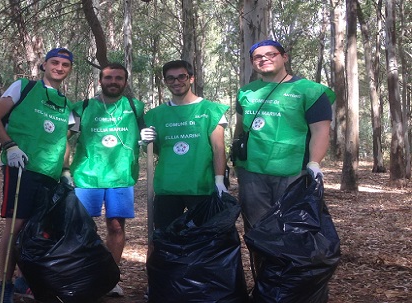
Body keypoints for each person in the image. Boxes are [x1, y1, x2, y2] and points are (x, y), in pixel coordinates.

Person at [0, 47, 75, 303]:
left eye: (65, 65)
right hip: (21, 168)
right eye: (54, 62)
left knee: (37, 230)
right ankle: (4, 287)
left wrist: (65, 170)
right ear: (44, 65)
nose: (59, 67)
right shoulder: (23, 87)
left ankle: (25, 280)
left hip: (49, 175)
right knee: (15, 227)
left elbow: (64, 141)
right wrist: (9, 145)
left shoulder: (66, 104)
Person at [232, 40, 335, 230]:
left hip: (293, 172)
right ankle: (262, 260)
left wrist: (314, 163)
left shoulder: (310, 91)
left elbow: (320, 130)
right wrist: (235, 159)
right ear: (252, 62)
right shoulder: (246, 92)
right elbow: (240, 127)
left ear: (284, 57)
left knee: (292, 227)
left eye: (271, 54)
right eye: (258, 57)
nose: (264, 59)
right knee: (257, 229)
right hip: (252, 172)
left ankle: (289, 261)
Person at [69, 63, 145, 297]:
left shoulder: (136, 107)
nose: (114, 82)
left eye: (119, 78)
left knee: (115, 226)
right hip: (86, 175)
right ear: (100, 80)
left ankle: (110, 278)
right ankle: (81, 273)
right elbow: (65, 139)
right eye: (109, 77)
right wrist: (63, 170)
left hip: (121, 177)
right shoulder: (82, 107)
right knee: (81, 228)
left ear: (125, 81)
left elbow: (145, 136)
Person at [140, 59, 229, 254]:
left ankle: (201, 282)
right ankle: (165, 281)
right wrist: (146, 143)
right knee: (165, 237)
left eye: (181, 76)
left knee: (202, 239)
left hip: (201, 186)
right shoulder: (155, 115)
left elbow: (218, 148)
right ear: (165, 81)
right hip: (167, 187)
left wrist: (220, 180)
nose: (176, 82)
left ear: (191, 78)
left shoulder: (211, 110)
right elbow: (159, 150)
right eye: (170, 78)